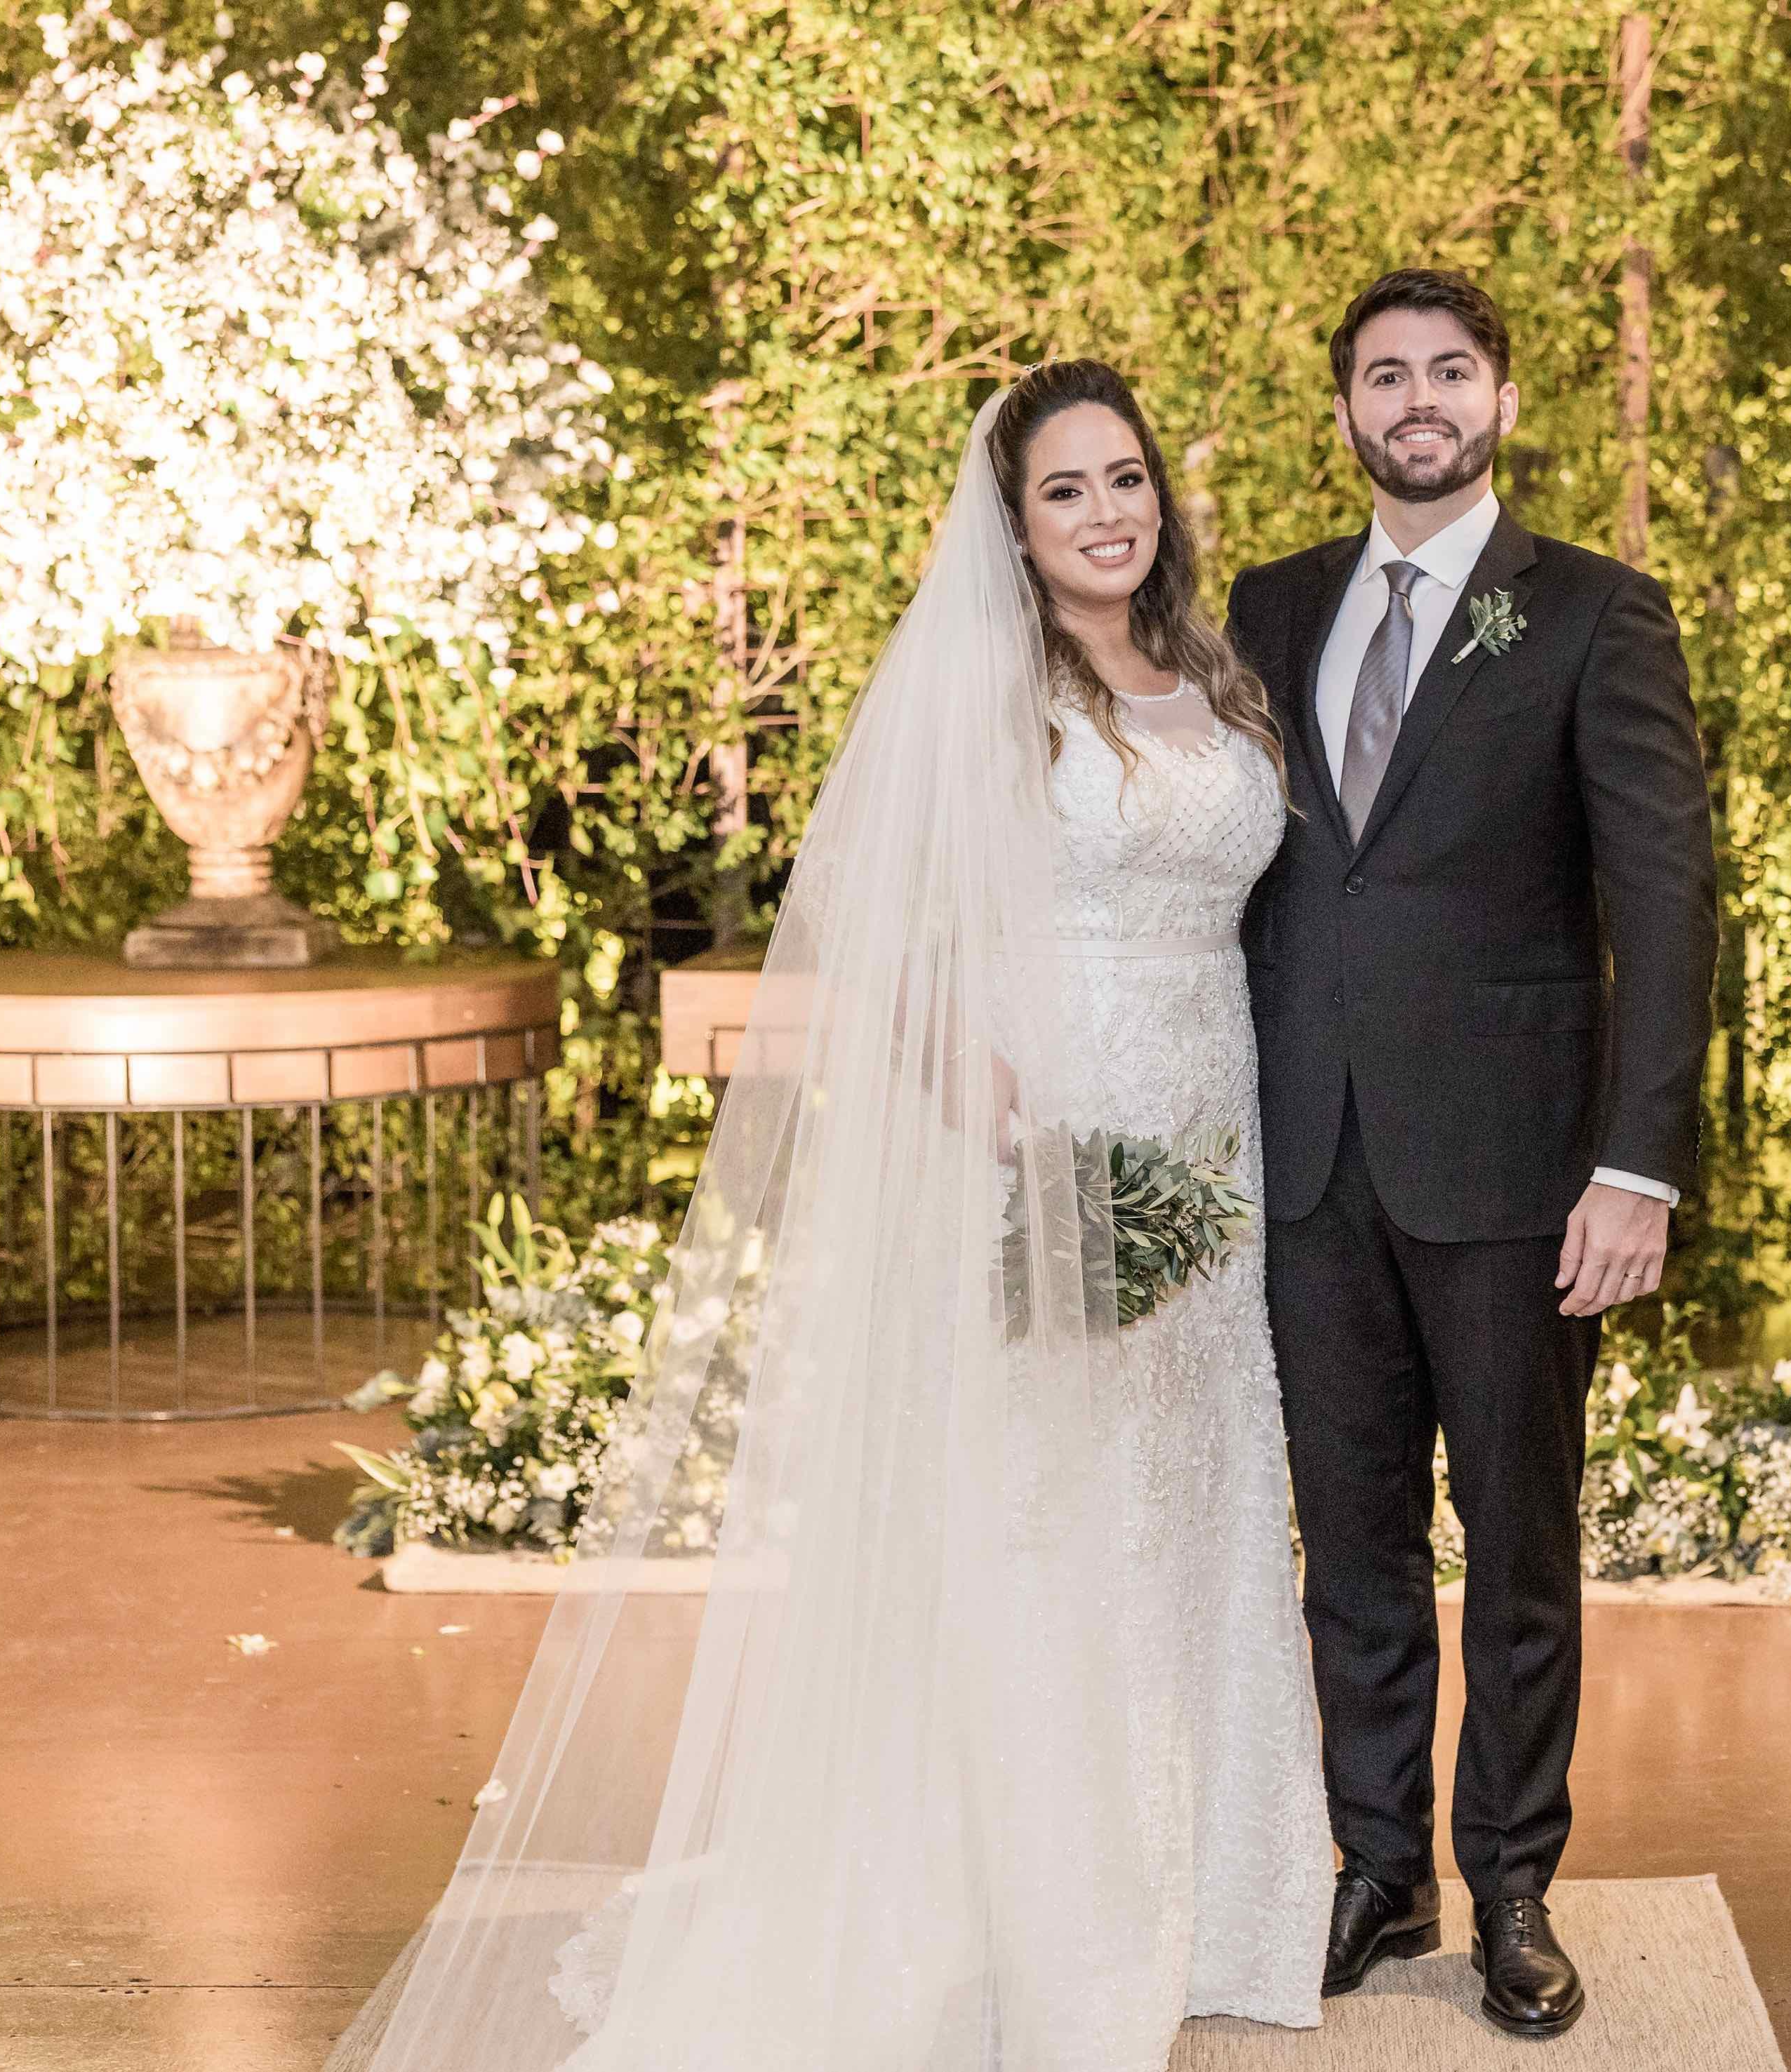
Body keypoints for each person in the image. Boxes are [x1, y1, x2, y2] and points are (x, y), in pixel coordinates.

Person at [329, 362, 1330, 2071]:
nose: (1108, 512)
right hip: (1051, 1138)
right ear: (1014, 528)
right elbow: (884, 930)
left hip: (1210, 1150)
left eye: (1126, 478)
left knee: (1193, 1503)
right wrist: (1004, 1120)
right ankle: (1035, 1921)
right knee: (1049, 1519)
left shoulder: (1212, 674)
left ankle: (1211, 1896)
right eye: (1067, 489)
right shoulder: (991, 697)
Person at [1231, 268, 1718, 2040]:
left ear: (1501, 400)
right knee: (1351, 1541)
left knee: (1517, 1543)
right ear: (1346, 411)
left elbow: (1667, 900)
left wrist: (1638, 1166)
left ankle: (1512, 1881)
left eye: (1449, 371)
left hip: (1519, 1175)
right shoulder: (1272, 606)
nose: (1417, 399)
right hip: (1312, 1165)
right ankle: (1379, 1866)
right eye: (1386, 375)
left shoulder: (1594, 613)